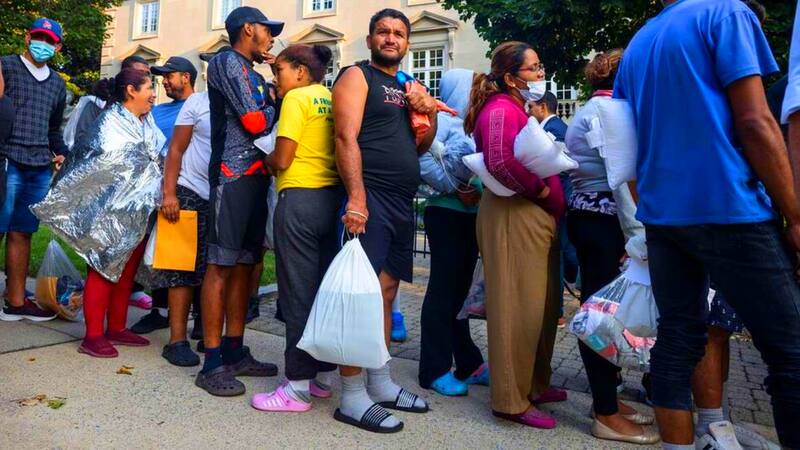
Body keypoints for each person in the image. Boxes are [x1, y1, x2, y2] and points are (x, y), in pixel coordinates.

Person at [614, 0, 800, 448]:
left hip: (664, 215)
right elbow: (756, 121)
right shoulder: (727, 13)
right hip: (728, 205)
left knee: (678, 339)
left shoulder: (641, 40)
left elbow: (624, 141)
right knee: (791, 349)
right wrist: (794, 213)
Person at [333, 8, 434, 433]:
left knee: (387, 291)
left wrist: (427, 112)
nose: (391, 38)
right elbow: (344, 136)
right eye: (383, 32)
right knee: (359, 295)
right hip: (369, 197)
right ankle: (352, 397)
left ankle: (381, 381)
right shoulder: (357, 76)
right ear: (371, 38)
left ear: (407, 43)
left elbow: (421, 146)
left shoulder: (409, 85)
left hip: (401, 199)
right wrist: (357, 197)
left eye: (398, 33)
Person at [463, 41, 565, 430]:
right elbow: (500, 160)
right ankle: (510, 399)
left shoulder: (514, 108)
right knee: (515, 307)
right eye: (533, 69)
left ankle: (533, 384)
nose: (540, 75)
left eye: (540, 67)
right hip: (513, 216)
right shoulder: (501, 109)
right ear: (510, 77)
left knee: (538, 305)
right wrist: (540, 191)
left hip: (528, 216)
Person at [564, 50, 659, 445]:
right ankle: (605, 412)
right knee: (603, 317)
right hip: (606, 227)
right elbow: (622, 180)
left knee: (602, 311)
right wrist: (639, 237)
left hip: (594, 222)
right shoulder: (611, 113)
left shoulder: (598, 109)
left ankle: (607, 402)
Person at [41, 68, 163, 357]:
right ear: (131, 91)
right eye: (149, 88)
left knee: (127, 271)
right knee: (103, 268)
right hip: (110, 212)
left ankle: (117, 328)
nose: (153, 94)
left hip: (140, 209)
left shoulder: (145, 121)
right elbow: (95, 163)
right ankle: (92, 336)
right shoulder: (111, 122)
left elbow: (155, 153)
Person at [195, 5, 282, 396]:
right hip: (231, 176)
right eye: (267, 31)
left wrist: (276, 83)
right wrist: (282, 97)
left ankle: (234, 350)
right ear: (249, 29)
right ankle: (211, 361)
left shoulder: (252, 70)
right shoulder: (227, 62)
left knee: (245, 266)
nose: (271, 37)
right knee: (221, 265)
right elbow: (254, 122)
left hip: (255, 176)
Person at [249, 43, 340, 413]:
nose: (277, 81)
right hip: (331, 200)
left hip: (299, 199)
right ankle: (321, 378)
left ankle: (297, 387)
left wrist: (265, 159)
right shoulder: (331, 99)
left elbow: (284, 157)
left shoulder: (297, 100)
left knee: (297, 294)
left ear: (301, 71)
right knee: (323, 293)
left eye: (281, 72)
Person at [416, 68, 488, 397]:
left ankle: (469, 362)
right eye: (475, 85)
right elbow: (425, 165)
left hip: (469, 215)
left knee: (458, 294)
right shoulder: (441, 121)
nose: (481, 90)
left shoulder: (474, 123)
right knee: (443, 292)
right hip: (445, 213)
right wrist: (457, 186)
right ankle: (433, 369)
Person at [0, 18, 68, 322]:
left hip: (38, 165)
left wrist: (61, 152)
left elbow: (54, 128)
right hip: (6, 158)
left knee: (23, 232)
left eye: (49, 40)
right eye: (38, 37)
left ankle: (15, 300)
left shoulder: (57, 84)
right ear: (27, 37)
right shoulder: (6, 67)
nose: (42, 44)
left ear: (57, 46)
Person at [131, 56, 198, 336]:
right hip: (158, 188)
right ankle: (159, 311)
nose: (164, 81)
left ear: (186, 77)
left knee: (191, 254)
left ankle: (199, 317)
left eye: (169, 75)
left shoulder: (201, 106)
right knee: (161, 253)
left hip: (193, 186)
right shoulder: (157, 112)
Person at [152, 86, 211, 367]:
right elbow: (175, 149)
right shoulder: (197, 103)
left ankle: (206, 332)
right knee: (180, 268)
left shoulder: (245, 100)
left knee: (212, 268)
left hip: (222, 194)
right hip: (188, 190)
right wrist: (170, 193)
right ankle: (176, 340)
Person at [529, 91, 579, 329]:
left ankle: (557, 309)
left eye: (531, 107)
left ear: (542, 107)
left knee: (561, 255)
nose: (529, 111)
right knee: (566, 252)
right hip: (567, 199)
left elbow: (552, 168)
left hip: (560, 199)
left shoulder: (552, 130)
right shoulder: (562, 127)